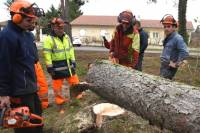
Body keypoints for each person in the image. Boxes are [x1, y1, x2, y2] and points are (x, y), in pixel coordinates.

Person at [0, 1, 44, 132]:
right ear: (17, 17)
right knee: (24, 126)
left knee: (37, 121)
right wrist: (3, 94)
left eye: (33, 20)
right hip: (18, 91)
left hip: (30, 88)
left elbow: (31, 62)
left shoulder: (28, 35)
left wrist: (34, 82)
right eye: (29, 20)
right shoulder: (7, 36)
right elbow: (3, 66)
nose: (32, 23)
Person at [43, 17, 81, 113]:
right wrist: (50, 67)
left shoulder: (67, 37)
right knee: (57, 88)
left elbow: (71, 49)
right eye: (59, 28)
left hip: (68, 65)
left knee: (75, 82)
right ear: (53, 27)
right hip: (56, 67)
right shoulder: (48, 39)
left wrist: (73, 60)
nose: (61, 30)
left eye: (62, 28)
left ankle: (78, 98)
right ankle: (60, 104)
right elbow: (47, 54)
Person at [160, 14, 189, 80]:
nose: (166, 28)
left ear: (174, 27)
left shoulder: (177, 38)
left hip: (169, 68)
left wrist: (176, 64)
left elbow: (185, 52)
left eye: (168, 26)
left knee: (164, 85)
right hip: (164, 66)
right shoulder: (168, 37)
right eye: (164, 26)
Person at [28, 22, 49, 110]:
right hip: (29, 65)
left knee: (42, 85)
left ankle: (44, 105)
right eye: (32, 22)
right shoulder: (19, 36)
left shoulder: (30, 36)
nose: (35, 25)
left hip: (36, 64)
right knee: (33, 86)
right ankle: (36, 105)